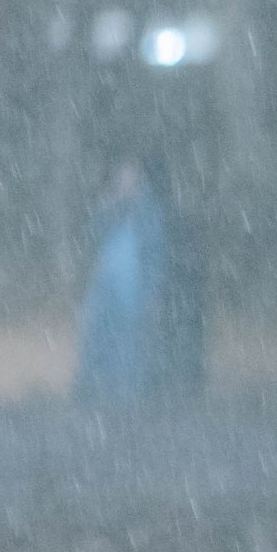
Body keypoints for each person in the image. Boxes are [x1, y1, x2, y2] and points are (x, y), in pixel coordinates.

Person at [74, 156, 178, 406]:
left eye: (129, 176)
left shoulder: (148, 212)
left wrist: (152, 291)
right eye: (121, 176)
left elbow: (156, 254)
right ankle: (95, 394)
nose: (123, 181)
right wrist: (107, 207)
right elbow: (94, 238)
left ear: (138, 179)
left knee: (130, 342)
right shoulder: (112, 207)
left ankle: (128, 397)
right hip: (107, 285)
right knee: (99, 338)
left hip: (133, 287)